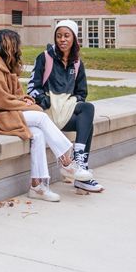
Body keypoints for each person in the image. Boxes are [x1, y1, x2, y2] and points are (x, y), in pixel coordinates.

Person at [0, 29, 93, 202]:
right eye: (15, 45)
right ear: (7, 46)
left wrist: (27, 100)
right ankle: (66, 162)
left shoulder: (7, 66)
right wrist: (28, 106)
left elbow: (16, 94)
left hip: (9, 113)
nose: (18, 49)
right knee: (41, 117)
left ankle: (37, 186)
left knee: (38, 135)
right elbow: (1, 101)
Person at [27, 19, 104, 192]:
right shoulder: (45, 58)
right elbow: (32, 86)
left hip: (67, 108)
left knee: (86, 116)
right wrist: (41, 98)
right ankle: (80, 167)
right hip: (48, 111)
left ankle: (79, 167)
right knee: (88, 114)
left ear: (74, 38)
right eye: (59, 36)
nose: (62, 39)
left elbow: (81, 93)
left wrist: (71, 102)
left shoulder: (77, 63)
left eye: (66, 36)